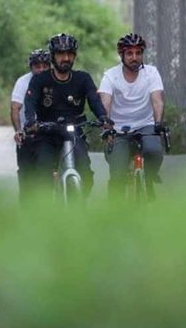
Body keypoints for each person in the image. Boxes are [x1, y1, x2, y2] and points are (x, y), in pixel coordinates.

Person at [23, 33, 111, 197]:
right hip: (46, 133)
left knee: (86, 174)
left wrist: (103, 118)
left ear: (74, 56)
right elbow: (30, 102)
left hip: (74, 132)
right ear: (53, 56)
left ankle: (78, 211)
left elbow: (94, 101)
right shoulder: (40, 80)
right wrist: (31, 120)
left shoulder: (83, 79)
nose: (66, 58)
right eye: (61, 54)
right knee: (43, 175)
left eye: (70, 54)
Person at [98, 33, 165, 199]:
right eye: (129, 53)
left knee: (154, 151)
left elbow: (157, 100)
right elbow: (105, 103)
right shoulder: (110, 76)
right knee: (118, 172)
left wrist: (158, 123)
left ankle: (148, 180)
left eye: (138, 53)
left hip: (146, 125)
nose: (134, 57)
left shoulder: (151, 73)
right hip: (119, 129)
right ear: (122, 55)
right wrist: (107, 128)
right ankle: (116, 212)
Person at [10, 49, 51, 202]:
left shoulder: (57, 79)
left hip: (51, 132)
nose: (41, 69)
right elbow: (15, 108)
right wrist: (19, 130)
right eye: (37, 66)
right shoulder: (23, 82)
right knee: (27, 174)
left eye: (45, 66)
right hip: (30, 133)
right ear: (31, 67)